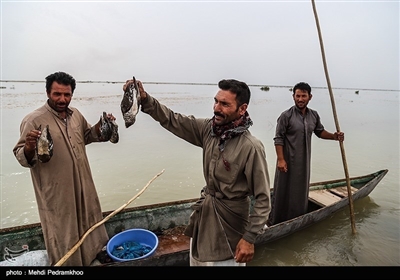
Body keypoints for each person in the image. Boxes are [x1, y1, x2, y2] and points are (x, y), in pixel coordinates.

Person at [123, 78, 271, 266]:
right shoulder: (208, 130)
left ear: (242, 109)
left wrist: (249, 239)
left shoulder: (251, 147)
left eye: (225, 104)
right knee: (197, 261)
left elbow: (264, 199)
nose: (216, 108)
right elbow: (172, 119)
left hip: (231, 225)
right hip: (205, 216)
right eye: (216, 101)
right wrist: (145, 99)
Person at [13, 71, 114, 266]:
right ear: (47, 92)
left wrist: (102, 126)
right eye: (57, 94)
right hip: (56, 191)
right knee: (63, 231)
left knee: (89, 222)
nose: (62, 99)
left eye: (66, 95)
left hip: (84, 184)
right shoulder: (33, 120)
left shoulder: (75, 115)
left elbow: (88, 135)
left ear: (72, 94)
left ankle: (92, 257)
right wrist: (28, 147)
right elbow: (21, 157)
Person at [267, 82, 344, 226]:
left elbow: (320, 132)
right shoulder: (286, 116)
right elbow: (278, 138)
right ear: (293, 97)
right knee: (282, 189)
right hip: (287, 160)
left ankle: (297, 219)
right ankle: (276, 220)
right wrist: (281, 159)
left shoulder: (313, 115)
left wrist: (334, 136)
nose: (300, 99)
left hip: (304, 161)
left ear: (310, 97)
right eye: (298, 96)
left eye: (304, 96)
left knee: (300, 190)